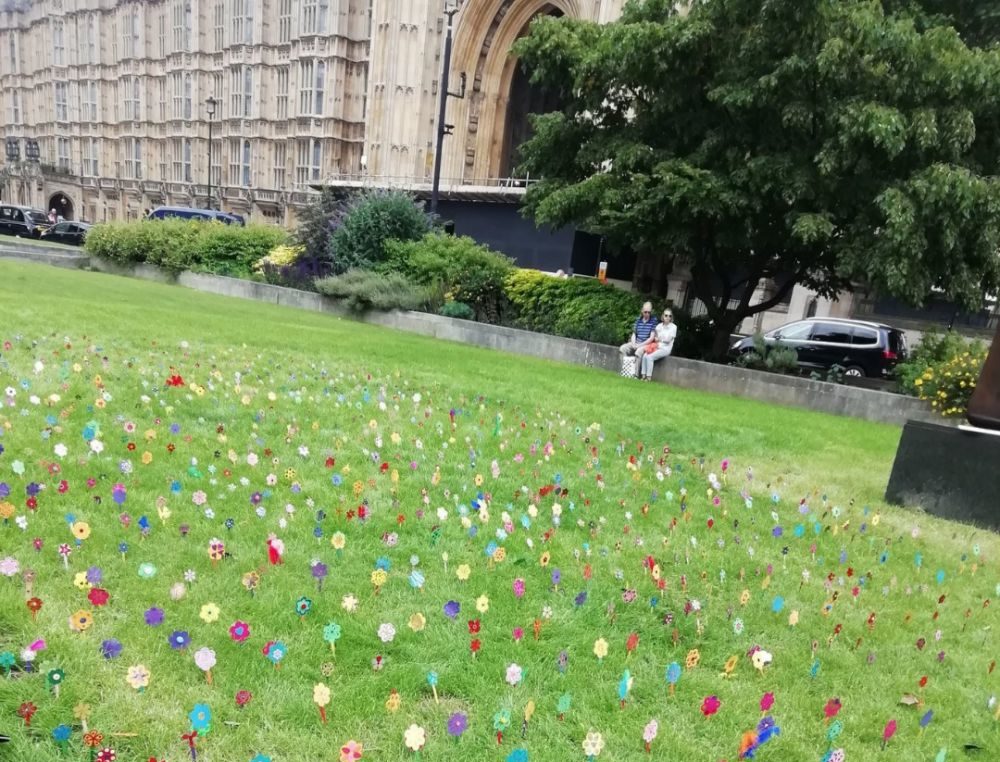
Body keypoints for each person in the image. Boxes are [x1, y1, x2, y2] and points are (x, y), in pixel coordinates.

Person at [620, 302, 659, 376]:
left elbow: (651, 338)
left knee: (638, 352)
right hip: (636, 342)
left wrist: (639, 345)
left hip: (645, 344)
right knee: (622, 349)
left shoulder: (653, 321)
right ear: (642, 311)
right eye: (645, 312)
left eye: (649, 312)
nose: (647, 314)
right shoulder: (638, 320)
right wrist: (634, 343)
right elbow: (634, 334)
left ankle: (635, 374)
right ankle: (625, 370)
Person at [640, 308, 678, 380]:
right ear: (663, 316)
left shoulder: (673, 327)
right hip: (657, 346)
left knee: (650, 357)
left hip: (666, 348)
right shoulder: (659, 326)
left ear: (671, 317)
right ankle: (643, 375)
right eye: (666, 315)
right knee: (645, 355)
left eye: (670, 316)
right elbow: (655, 337)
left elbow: (668, 340)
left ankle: (648, 377)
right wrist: (657, 339)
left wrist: (660, 339)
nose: (667, 317)